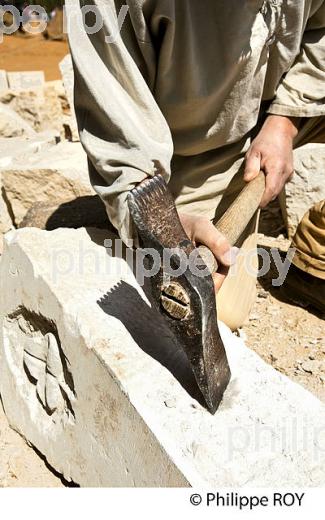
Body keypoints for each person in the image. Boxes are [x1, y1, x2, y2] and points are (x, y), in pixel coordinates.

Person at [66, 0, 325, 329]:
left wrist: (285, 121)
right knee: (206, 311)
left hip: (283, 102)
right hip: (192, 149)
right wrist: (156, 221)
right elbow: (118, 121)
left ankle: (316, 257)